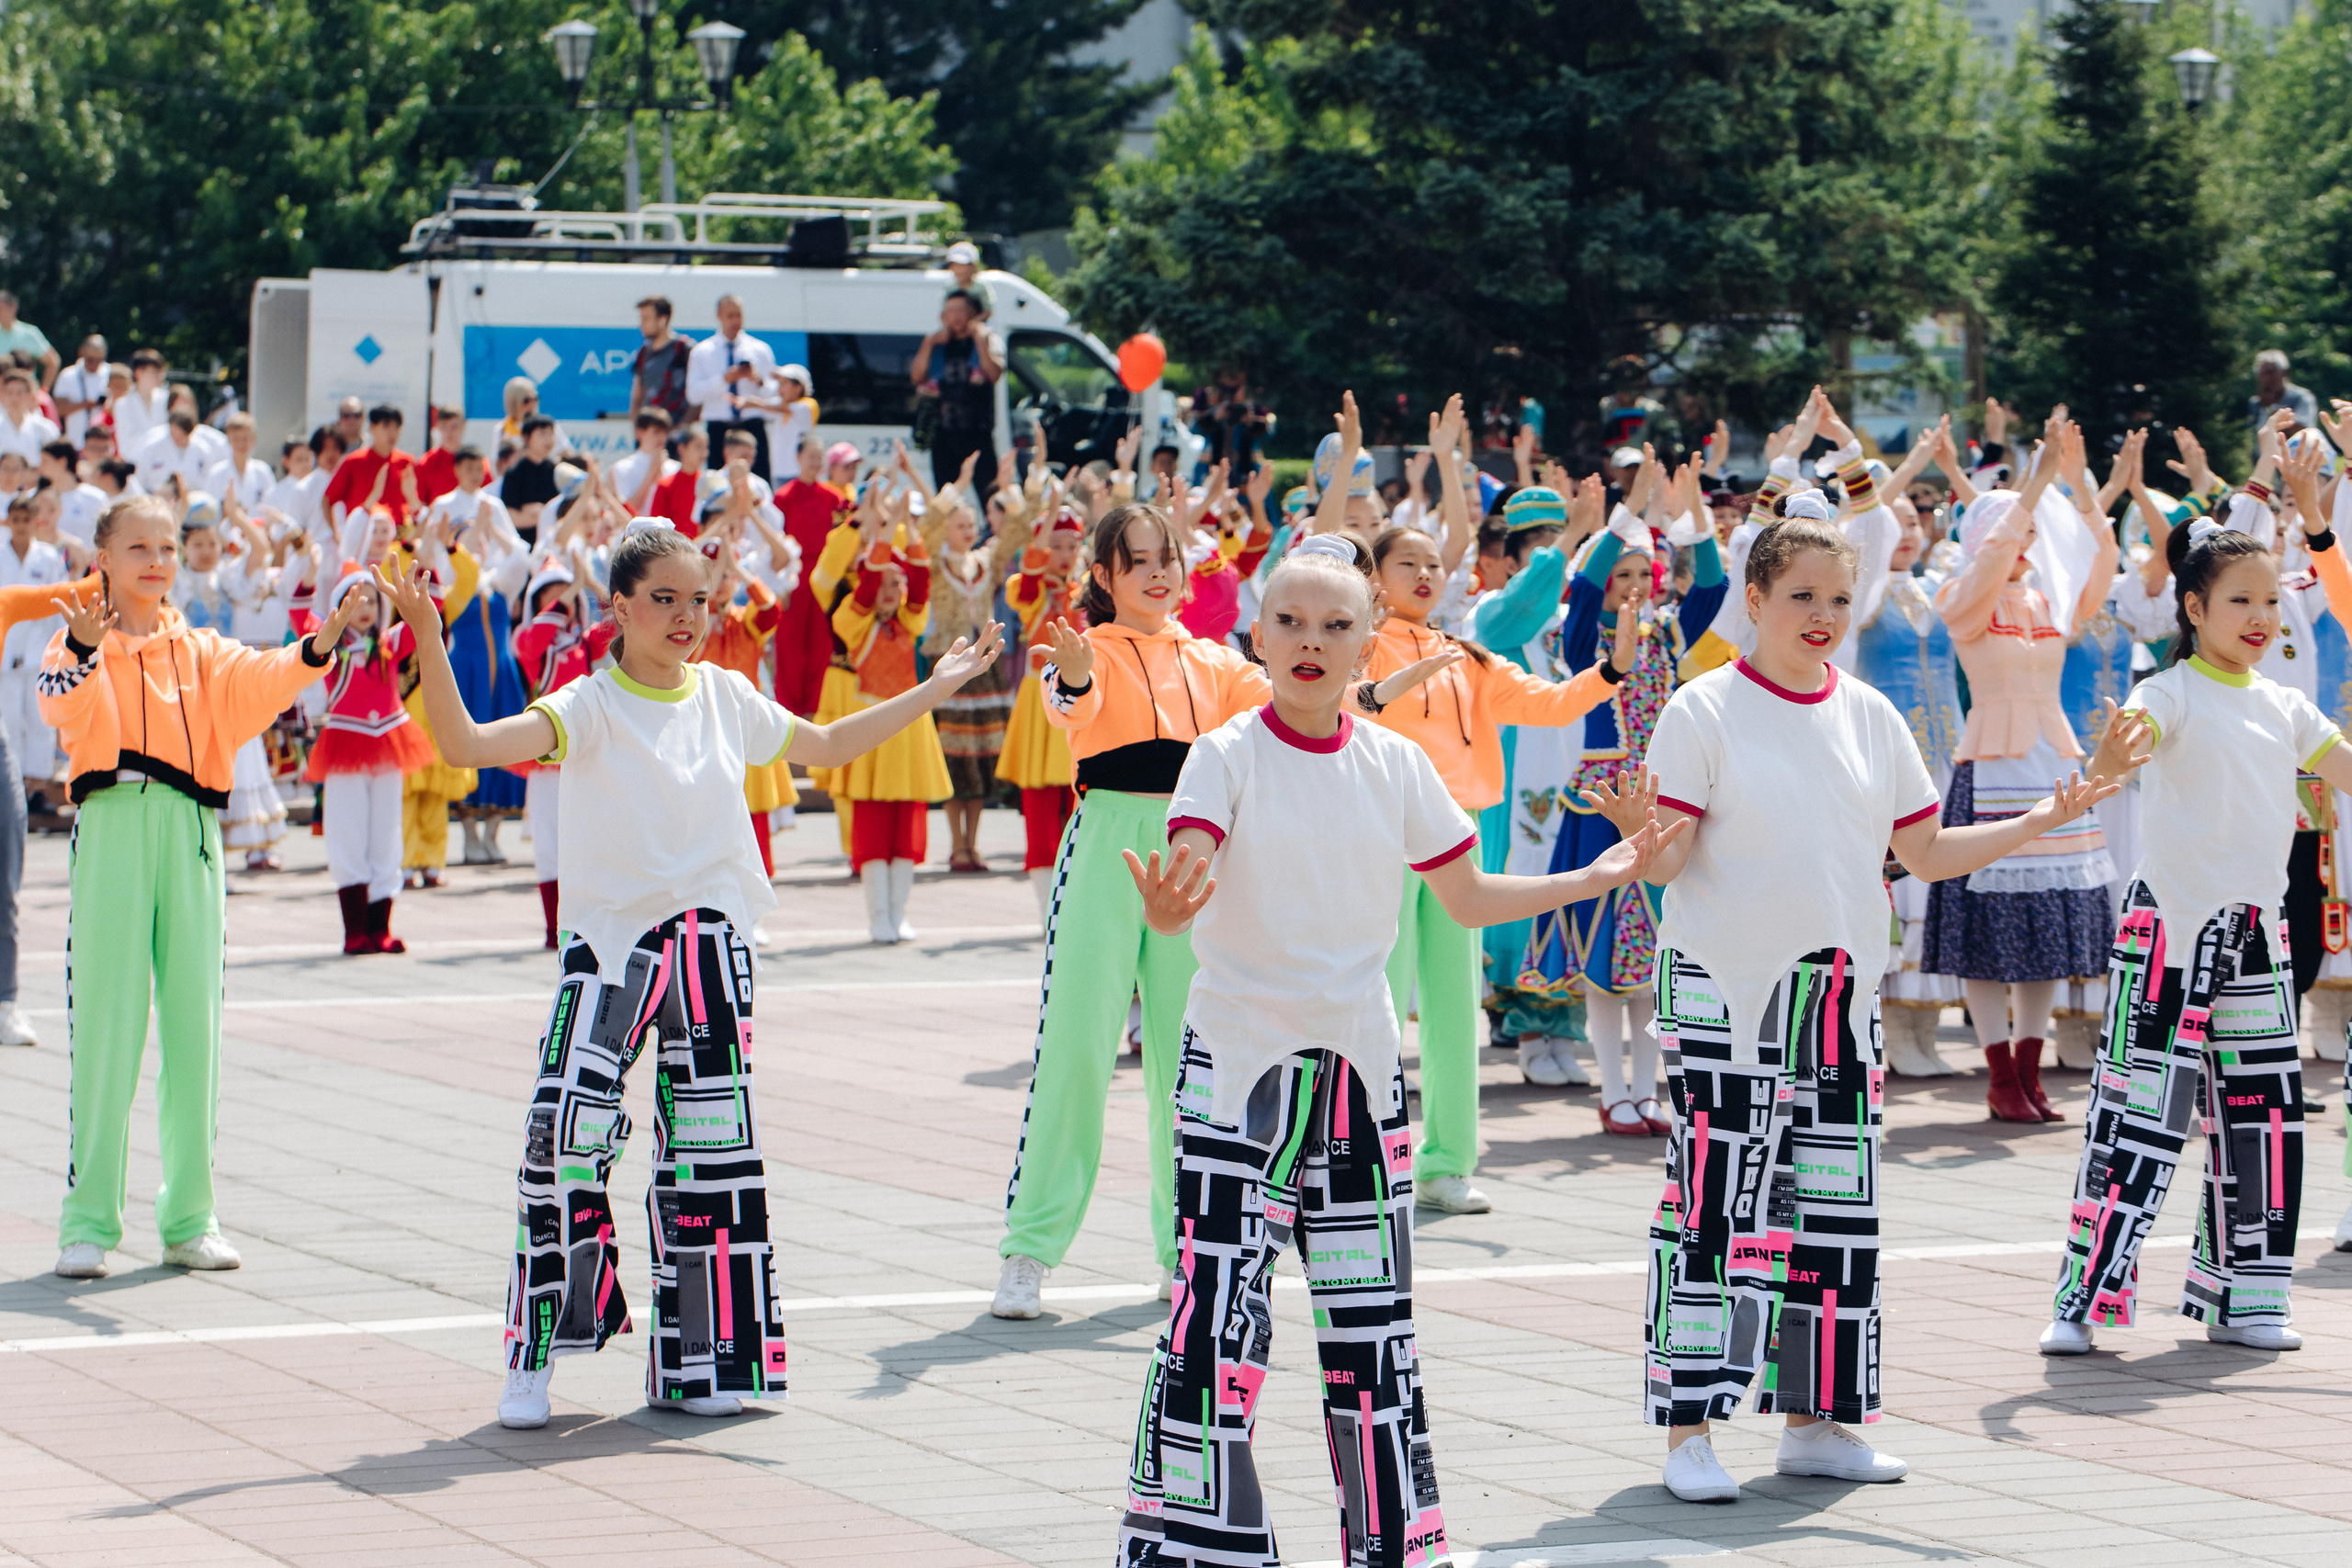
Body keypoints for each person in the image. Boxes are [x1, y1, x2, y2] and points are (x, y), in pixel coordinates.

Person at [1113, 536, 1678, 1564]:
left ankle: (1395, 1547)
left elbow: (1464, 897)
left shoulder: (1397, 765)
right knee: (1212, 1332)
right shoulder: (1225, 754)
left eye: (1336, 625)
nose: (1311, 643)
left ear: (1373, 643)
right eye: (1290, 622)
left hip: (1359, 1084)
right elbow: (1187, 862)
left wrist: (1592, 879)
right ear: (1257, 634)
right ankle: (1190, 1552)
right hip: (1237, 1074)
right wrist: (1166, 904)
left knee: (1374, 1338)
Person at [373, 522, 1004, 1427]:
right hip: (609, 953)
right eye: (663, 599)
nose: (686, 617)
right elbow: (466, 745)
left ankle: (708, 1366)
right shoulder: (584, 706)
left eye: (699, 599)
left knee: (713, 1162)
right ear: (618, 607)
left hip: (711, 945)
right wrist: (429, 635)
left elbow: (824, 746)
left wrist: (936, 687)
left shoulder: (725, 696)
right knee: (562, 1145)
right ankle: (536, 1354)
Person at [1628, 495, 2119, 1502]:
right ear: (1752, 598)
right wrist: (1641, 835)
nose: (1821, 614)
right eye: (1799, 595)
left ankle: (1819, 1423)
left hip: (1838, 996)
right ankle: (1689, 1431)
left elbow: (1926, 852)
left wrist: (2043, 816)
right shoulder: (1703, 708)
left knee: (1834, 1215)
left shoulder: (1867, 713)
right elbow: (1669, 861)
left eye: (1838, 598)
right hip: (1724, 992)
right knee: (1716, 1210)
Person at [990, 502, 1455, 1320]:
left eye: (1165, 557)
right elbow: (1072, 703)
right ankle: (1029, 1250)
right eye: (1135, 561)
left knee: (1187, 1058)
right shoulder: (1086, 648)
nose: (1156, 573)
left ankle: (1184, 1253)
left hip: (1199, 852)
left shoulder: (1217, 662)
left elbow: (1312, 696)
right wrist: (1068, 677)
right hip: (1107, 845)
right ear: (1103, 576)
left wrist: (1381, 685)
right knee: (1075, 1046)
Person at [2039, 511, 2352, 1358]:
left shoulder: (2288, 705)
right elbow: (2117, 764)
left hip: (2258, 933)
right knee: (2138, 1115)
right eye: (2240, 600)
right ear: (2194, 607)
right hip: (2167, 932)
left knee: (2265, 1119)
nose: (2260, 618)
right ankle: (2084, 1299)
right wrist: (2110, 754)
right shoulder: (2165, 692)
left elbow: (2345, 766)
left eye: (2270, 602)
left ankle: (2247, 1297)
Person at [41, 493, 365, 1278]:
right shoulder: (77, 640)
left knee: (196, 1032)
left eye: (168, 546)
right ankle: (88, 1222)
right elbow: (61, 704)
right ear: (105, 558)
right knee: (109, 1029)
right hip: (114, 827)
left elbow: (265, 678)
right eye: (138, 547)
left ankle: (190, 1218)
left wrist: (321, 641)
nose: (157, 559)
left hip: (192, 836)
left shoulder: (204, 650)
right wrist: (85, 648)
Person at [1363, 479, 1633, 1211]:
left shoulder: (1468, 655)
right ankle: (1362, 1154)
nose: (1424, 575)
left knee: (1453, 1003)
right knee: (1375, 997)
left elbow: (1546, 703)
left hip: (1458, 833)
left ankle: (1447, 1160)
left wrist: (1610, 672)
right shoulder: (1354, 645)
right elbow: (1334, 709)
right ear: (1372, 579)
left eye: (1432, 564)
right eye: (1406, 564)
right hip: (1379, 829)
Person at [1922, 418, 2121, 1122]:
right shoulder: (1962, 596)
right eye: (2017, 530)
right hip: (1993, 768)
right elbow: (1989, 555)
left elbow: (2103, 558)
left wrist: (2080, 484)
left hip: (2052, 764)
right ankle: (1999, 1073)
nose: (2030, 538)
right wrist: (2030, 483)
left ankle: (2030, 1072)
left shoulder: (2045, 598)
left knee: (2046, 928)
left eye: (2033, 530)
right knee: (1985, 927)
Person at [298, 567, 436, 953]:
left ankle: (380, 929)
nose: (365, 608)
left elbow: (431, 610)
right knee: (347, 833)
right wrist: (307, 571)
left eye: (372, 600)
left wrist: (432, 558)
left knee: (386, 835)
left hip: (389, 742)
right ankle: (354, 931)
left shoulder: (390, 641)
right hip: (345, 745)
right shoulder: (332, 647)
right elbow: (298, 615)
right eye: (354, 599)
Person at [831, 529, 947, 941]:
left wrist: (912, 533)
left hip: (910, 729)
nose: (889, 590)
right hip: (870, 726)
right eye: (882, 581)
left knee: (907, 825)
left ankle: (899, 912)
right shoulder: (853, 623)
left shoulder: (911, 621)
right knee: (872, 826)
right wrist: (881, 541)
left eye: (895, 583)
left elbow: (920, 583)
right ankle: (877, 914)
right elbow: (862, 595)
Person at [922, 465, 1023, 872]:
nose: (967, 530)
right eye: (959, 524)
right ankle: (955, 843)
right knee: (952, 753)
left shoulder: (986, 561)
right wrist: (955, 489)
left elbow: (1018, 531)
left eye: (971, 524)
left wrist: (1008, 486)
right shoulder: (933, 562)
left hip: (982, 666)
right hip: (947, 663)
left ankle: (973, 843)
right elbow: (925, 530)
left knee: (980, 755)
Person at [513, 562, 615, 947]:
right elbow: (533, 641)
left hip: (584, 748)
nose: (561, 599)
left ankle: (585, 921)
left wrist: (588, 582)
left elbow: (618, 625)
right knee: (549, 841)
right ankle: (553, 927)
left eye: (564, 592)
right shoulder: (530, 640)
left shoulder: (584, 641)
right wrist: (569, 589)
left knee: (587, 837)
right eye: (549, 593)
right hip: (544, 750)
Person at [996, 483, 1084, 913]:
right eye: (1056, 544)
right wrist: (1047, 516)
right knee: (1040, 799)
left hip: (1081, 696)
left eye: (1072, 544)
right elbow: (1030, 573)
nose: (1064, 553)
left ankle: (1074, 899)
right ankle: (1042, 906)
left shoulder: (1088, 590)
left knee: (1077, 799)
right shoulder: (1024, 587)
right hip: (1041, 695)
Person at [774, 435, 853, 716]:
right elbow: (775, 542)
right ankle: (788, 706)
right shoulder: (782, 497)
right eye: (810, 456)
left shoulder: (834, 498)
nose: (815, 462)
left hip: (825, 578)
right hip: (794, 578)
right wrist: (779, 584)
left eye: (819, 457)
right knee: (790, 643)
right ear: (798, 458)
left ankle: (815, 707)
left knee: (821, 642)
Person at [909, 288, 1001, 494]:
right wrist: (929, 342)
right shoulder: (937, 343)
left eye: (961, 310)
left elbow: (994, 374)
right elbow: (916, 377)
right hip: (944, 436)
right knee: (945, 500)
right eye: (950, 311)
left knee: (991, 496)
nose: (956, 316)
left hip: (978, 434)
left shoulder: (985, 339)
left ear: (972, 313)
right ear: (943, 316)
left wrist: (980, 340)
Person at [685, 294, 777, 480]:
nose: (735, 321)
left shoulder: (760, 350)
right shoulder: (703, 352)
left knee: (759, 483)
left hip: (753, 425)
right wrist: (724, 379)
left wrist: (757, 381)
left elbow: (775, 394)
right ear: (718, 316)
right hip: (719, 429)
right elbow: (693, 395)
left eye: (738, 315)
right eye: (730, 316)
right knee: (719, 485)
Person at [322, 405, 422, 532]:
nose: (392, 433)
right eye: (386, 426)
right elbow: (327, 500)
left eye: (396, 427)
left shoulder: (407, 462)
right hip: (364, 537)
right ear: (372, 427)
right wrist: (338, 536)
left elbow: (419, 502)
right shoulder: (353, 461)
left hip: (399, 537)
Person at [629, 294, 692, 425]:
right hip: (649, 432)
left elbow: (698, 397)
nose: (641, 324)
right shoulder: (643, 352)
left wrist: (681, 428)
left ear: (663, 320)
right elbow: (637, 396)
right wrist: (638, 429)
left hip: (678, 435)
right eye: (641, 319)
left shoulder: (684, 350)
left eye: (646, 319)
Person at [2249, 349, 2317, 455]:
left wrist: (2272, 409)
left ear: (2284, 372)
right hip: (2264, 463)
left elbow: (2305, 431)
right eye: (2262, 374)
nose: (2267, 379)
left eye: (2271, 373)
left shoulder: (2301, 397)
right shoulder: (2255, 402)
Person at [51, 337, 109, 448]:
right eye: (91, 359)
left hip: (105, 444)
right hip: (76, 442)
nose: (95, 364)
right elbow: (58, 409)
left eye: (99, 360)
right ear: (81, 352)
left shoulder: (111, 374)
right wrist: (85, 405)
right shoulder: (68, 375)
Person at [0, 367, 59, 465]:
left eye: (19, 393)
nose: (14, 398)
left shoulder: (45, 428)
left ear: (30, 395)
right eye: (10, 392)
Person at [0, 292, 57, 390]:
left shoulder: (29, 333)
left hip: (25, 397)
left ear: (13, 307)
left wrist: (43, 392)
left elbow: (53, 361)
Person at [413, 406, 470, 502]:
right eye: (444, 426)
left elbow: (487, 497)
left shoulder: (476, 462)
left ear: (463, 426)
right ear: (437, 426)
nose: (449, 432)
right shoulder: (425, 463)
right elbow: (420, 503)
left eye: (454, 426)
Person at [942, 239, 992, 321]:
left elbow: (988, 311)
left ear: (973, 267)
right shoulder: (949, 287)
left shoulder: (981, 287)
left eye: (962, 266)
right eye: (955, 266)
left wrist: (972, 324)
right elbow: (944, 312)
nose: (959, 270)